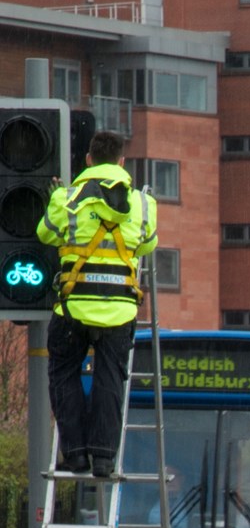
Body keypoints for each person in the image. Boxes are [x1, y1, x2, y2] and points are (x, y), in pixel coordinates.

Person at [37, 130, 155, 479]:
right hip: (120, 311)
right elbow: (147, 245)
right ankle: (104, 458)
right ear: (122, 161)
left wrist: (56, 201)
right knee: (110, 380)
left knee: (63, 373)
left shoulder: (66, 198)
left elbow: (44, 234)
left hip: (73, 308)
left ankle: (74, 454)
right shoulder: (144, 204)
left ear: (88, 159)